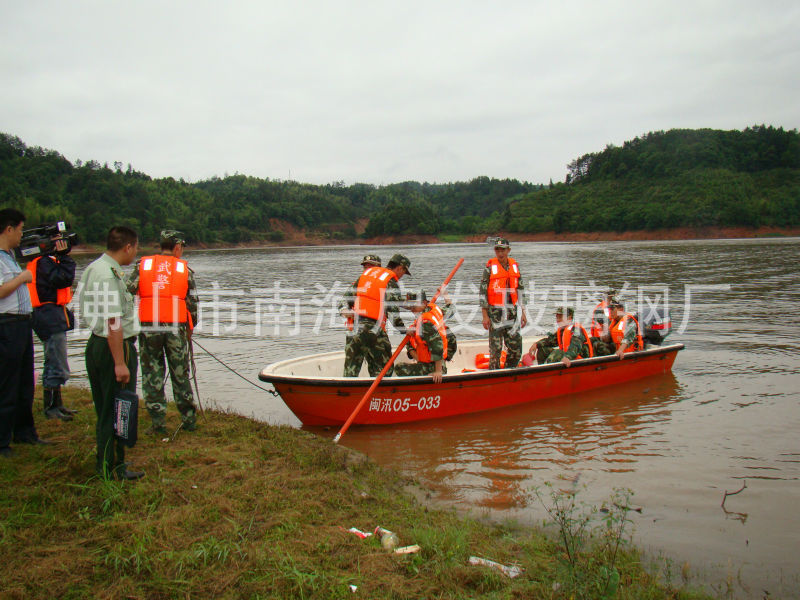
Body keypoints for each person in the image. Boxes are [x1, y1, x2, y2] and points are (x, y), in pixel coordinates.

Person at [79, 226, 142, 479]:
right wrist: (120, 363)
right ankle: (110, 467)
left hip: (98, 344)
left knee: (107, 407)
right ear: (128, 247)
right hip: (114, 348)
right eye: (135, 248)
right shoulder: (107, 275)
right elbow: (113, 322)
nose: (135, 253)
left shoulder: (95, 268)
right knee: (116, 409)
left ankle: (111, 462)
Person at [126, 230, 199, 435]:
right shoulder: (185, 270)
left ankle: (158, 423)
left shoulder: (143, 266)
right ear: (177, 247)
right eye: (182, 247)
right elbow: (192, 303)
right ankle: (189, 420)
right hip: (176, 329)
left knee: (152, 374)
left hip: (149, 328)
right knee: (180, 374)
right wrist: (190, 330)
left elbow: (127, 290)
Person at [0, 208, 52, 457]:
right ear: (9, 229)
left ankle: (25, 432)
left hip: (22, 323)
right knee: (7, 382)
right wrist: (22, 278)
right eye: (20, 229)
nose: (22, 235)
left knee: (24, 381)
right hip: (6, 325)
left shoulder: (10, 255)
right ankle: (2, 441)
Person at [27, 233, 77, 421]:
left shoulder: (43, 262)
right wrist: (65, 258)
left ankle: (57, 404)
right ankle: (50, 408)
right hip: (48, 316)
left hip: (50, 314)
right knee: (56, 362)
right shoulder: (44, 262)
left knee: (54, 360)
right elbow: (63, 279)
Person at [342, 253, 410, 377]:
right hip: (373, 330)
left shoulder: (365, 276)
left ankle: (347, 394)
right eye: (403, 273)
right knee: (384, 369)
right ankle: (380, 394)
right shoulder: (390, 280)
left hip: (354, 330)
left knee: (350, 370)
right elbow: (392, 311)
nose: (401, 277)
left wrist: (344, 310)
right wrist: (403, 330)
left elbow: (345, 298)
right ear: (400, 268)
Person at [480, 237, 528, 369]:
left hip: (511, 312)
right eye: (497, 250)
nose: (500, 253)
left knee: (516, 347)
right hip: (495, 313)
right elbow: (482, 294)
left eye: (503, 250)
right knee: (495, 349)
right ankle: (493, 375)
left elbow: (520, 290)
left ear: (508, 250)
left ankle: (509, 371)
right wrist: (485, 316)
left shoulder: (515, 267)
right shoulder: (489, 269)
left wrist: (523, 312)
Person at [394, 291, 447, 383]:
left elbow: (437, 346)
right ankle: (420, 360)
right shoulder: (434, 309)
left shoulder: (425, 323)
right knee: (411, 339)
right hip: (440, 362)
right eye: (410, 307)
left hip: (432, 366)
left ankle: (428, 367)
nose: (412, 309)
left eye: (414, 306)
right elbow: (451, 309)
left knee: (398, 368)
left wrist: (438, 371)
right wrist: (446, 296)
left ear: (424, 303)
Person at [528, 306, 593, 367]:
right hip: (568, 359)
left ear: (569, 318)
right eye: (557, 317)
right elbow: (550, 341)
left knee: (557, 352)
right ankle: (540, 372)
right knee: (542, 349)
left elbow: (575, 347)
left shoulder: (576, 330)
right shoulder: (562, 330)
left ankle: (550, 375)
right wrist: (536, 344)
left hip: (580, 362)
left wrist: (567, 357)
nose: (558, 320)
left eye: (560, 317)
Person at [338, 254, 381, 333]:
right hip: (356, 331)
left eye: (370, 267)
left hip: (376, 330)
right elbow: (343, 301)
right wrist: (345, 311)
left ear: (379, 268)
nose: (367, 270)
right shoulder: (358, 284)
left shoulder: (385, 284)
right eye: (365, 267)